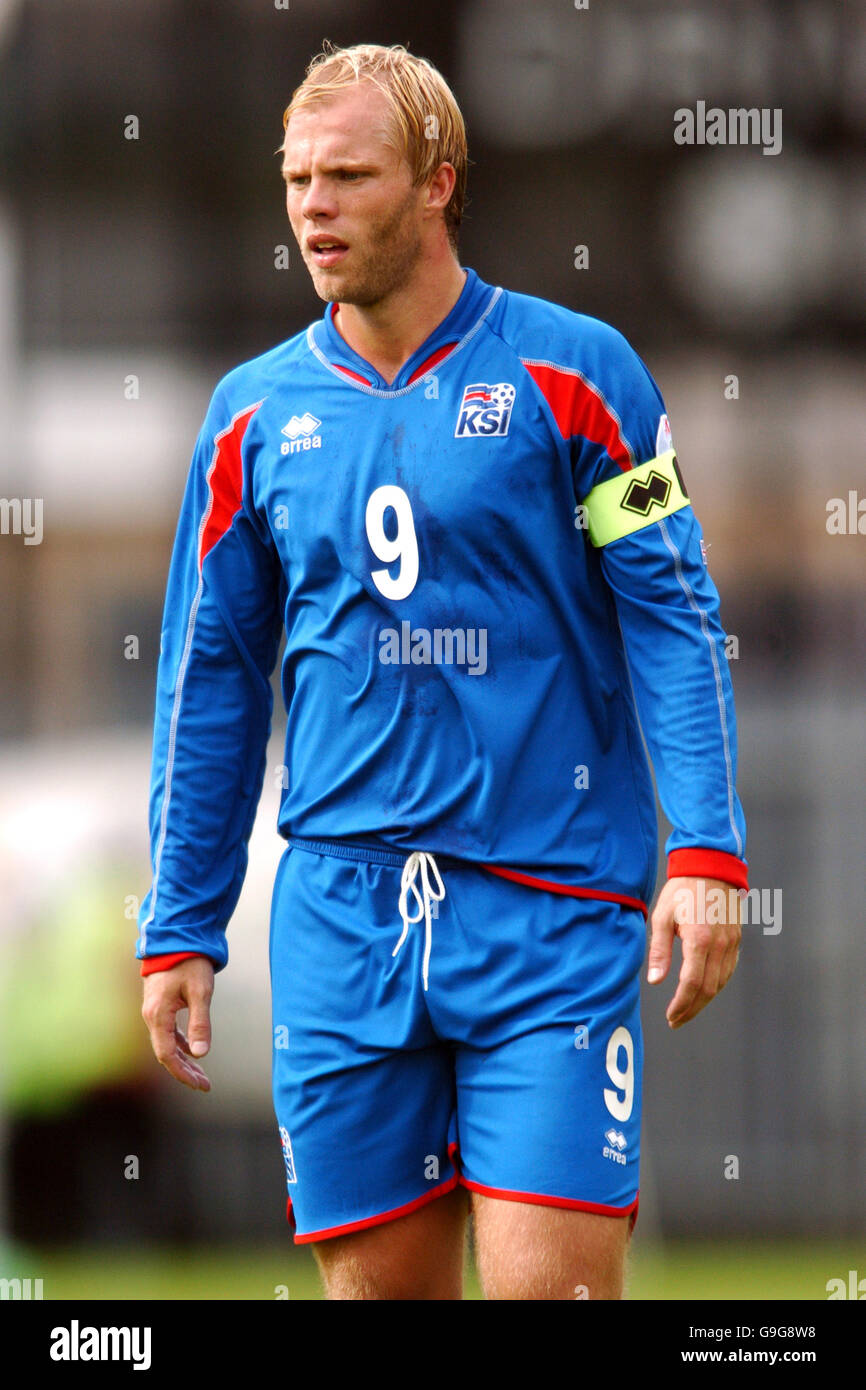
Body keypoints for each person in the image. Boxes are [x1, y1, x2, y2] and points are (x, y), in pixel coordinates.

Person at [138, 41, 746, 1301]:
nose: (313, 207)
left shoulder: (581, 376)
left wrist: (705, 847)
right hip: (342, 925)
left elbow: (672, 615)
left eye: (349, 175)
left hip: (548, 914)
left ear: (436, 183)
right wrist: (181, 923)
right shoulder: (247, 418)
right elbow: (209, 681)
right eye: (297, 179)